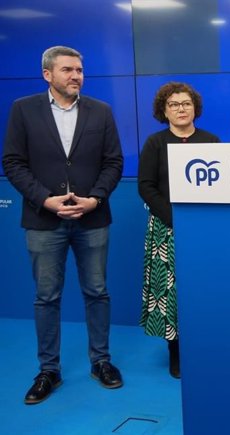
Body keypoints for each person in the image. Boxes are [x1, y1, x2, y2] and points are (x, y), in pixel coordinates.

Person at [2, 46, 124, 404]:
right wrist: (44, 199)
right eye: (68, 70)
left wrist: (96, 199)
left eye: (80, 70)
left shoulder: (101, 112)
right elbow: (13, 162)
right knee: (46, 298)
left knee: (97, 292)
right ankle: (48, 371)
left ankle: (101, 362)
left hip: (93, 218)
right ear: (47, 75)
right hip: (43, 220)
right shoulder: (23, 110)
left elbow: (113, 162)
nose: (76, 76)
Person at [138, 82, 220, 378]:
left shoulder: (211, 141)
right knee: (172, 294)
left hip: (204, 231)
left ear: (195, 107)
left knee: (202, 289)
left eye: (186, 103)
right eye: (173, 104)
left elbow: (221, 186)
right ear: (164, 110)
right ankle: (176, 352)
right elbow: (145, 186)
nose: (181, 109)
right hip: (166, 230)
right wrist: (174, 218)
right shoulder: (155, 143)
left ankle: (205, 345)